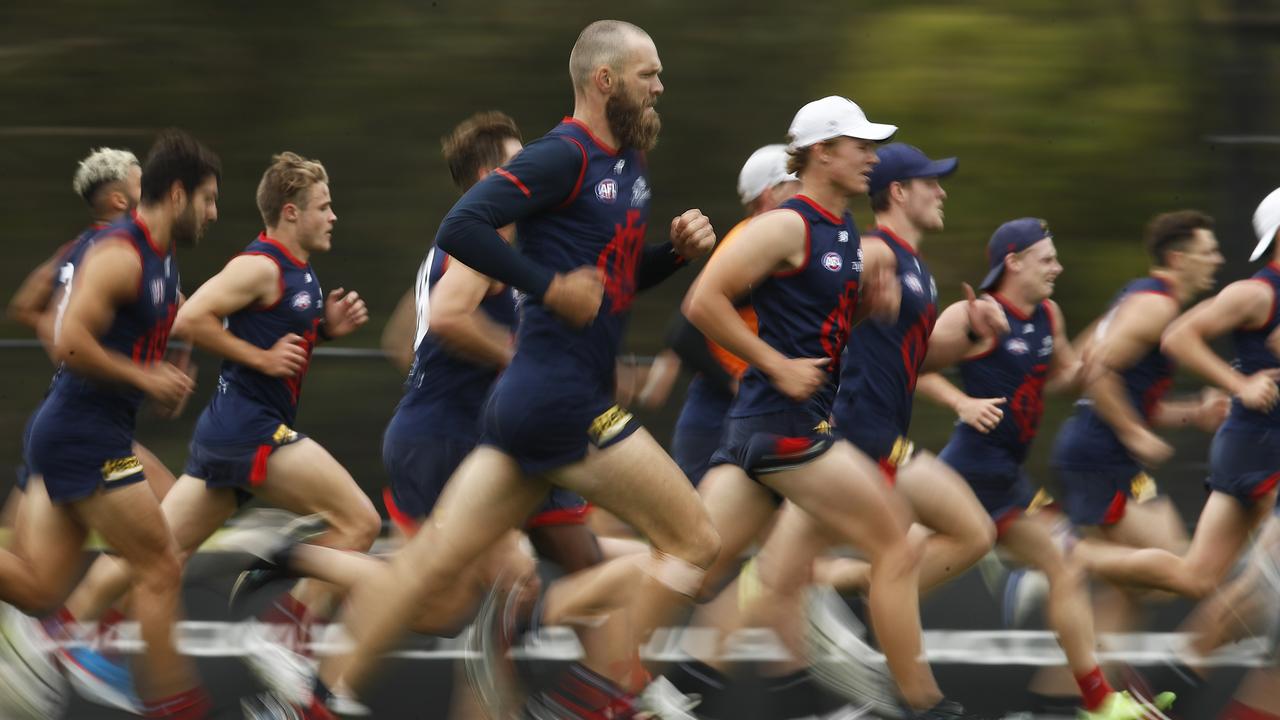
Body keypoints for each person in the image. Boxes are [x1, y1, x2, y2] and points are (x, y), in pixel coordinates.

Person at [310, 20, 720, 719]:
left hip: (523, 407)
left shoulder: (628, 166)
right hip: (562, 402)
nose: (660, 86)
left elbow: (610, 282)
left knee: (433, 564)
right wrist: (548, 287)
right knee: (698, 540)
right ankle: (602, 697)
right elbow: (461, 227)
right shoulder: (562, 155)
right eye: (648, 73)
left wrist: (672, 256)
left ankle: (315, 703)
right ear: (604, 81)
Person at [62, 151, 378, 719]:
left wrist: (323, 331)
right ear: (290, 212)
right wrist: (258, 354)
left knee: (160, 550)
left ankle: (71, 631)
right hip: (248, 430)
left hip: (229, 432)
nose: (333, 217)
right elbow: (192, 318)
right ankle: (284, 626)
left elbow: (276, 339)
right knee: (359, 522)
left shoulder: (298, 269)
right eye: (323, 207)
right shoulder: (261, 264)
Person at [685, 96, 969, 718]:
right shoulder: (819, 232)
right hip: (803, 428)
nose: (869, 156)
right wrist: (776, 365)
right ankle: (916, 702)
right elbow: (699, 310)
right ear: (822, 153)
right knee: (877, 550)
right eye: (859, 146)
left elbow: (855, 340)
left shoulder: (844, 237)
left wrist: (957, 331)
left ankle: (656, 678)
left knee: (706, 569)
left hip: (792, 426)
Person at [2, 128, 220, 720]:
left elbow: (145, 340)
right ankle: (178, 707)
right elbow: (71, 344)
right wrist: (147, 379)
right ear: (177, 194)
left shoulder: (163, 259)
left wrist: (162, 378)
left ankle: (75, 637)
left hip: (87, 433)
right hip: (83, 435)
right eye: (208, 199)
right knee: (159, 563)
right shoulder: (119, 253)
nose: (214, 213)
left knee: (37, 588)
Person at [921, 217, 1173, 718]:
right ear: (1013, 263)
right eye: (1047, 259)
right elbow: (911, 368)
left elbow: (1059, 376)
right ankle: (823, 584)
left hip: (1008, 480)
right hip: (966, 474)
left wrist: (1091, 366)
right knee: (896, 576)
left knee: (1066, 565)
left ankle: (1099, 701)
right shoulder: (975, 314)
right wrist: (961, 403)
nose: (1058, 267)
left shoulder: (1048, 315)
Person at [1073, 189, 1280, 599]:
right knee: (1181, 570)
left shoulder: (1148, 297)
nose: (1217, 260)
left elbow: (1076, 367)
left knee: (1188, 580)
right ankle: (1064, 557)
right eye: (1208, 250)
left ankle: (1103, 646)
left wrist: (1191, 411)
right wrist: (1241, 385)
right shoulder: (1162, 305)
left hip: (1110, 446)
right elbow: (1095, 371)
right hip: (1104, 448)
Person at [819, 142, 997, 597]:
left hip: (877, 425)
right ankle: (838, 587)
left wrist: (971, 334)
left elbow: (916, 358)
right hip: (862, 426)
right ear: (898, 192)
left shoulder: (915, 265)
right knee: (973, 533)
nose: (941, 193)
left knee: (905, 546)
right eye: (930, 183)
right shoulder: (877, 251)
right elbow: (817, 300)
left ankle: (828, 589)